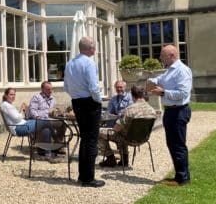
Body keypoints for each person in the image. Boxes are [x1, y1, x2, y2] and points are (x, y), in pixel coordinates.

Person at [147, 45, 193, 186]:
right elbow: (159, 79)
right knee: (172, 144)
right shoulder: (169, 71)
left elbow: (182, 94)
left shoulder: (182, 71)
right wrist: (150, 82)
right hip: (170, 111)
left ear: (171, 55)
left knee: (178, 145)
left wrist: (162, 92)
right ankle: (179, 175)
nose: (160, 57)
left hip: (179, 111)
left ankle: (182, 178)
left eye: (162, 55)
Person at [64, 36, 105, 188]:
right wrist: (99, 100)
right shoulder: (89, 63)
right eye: (94, 47)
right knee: (91, 140)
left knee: (85, 139)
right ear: (90, 48)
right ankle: (88, 178)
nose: (95, 50)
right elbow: (94, 87)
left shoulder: (70, 63)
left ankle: (83, 175)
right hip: (89, 103)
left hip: (76, 102)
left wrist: (77, 96)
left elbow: (66, 87)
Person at [98, 85, 156, 167]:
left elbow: (116, 129)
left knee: (98, 132)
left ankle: (110, 158)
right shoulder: (152, 110)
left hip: (128, 139)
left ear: (132, 95)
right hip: (144, 139)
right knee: (123, 131)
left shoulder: (129, 110)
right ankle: (124, 158)